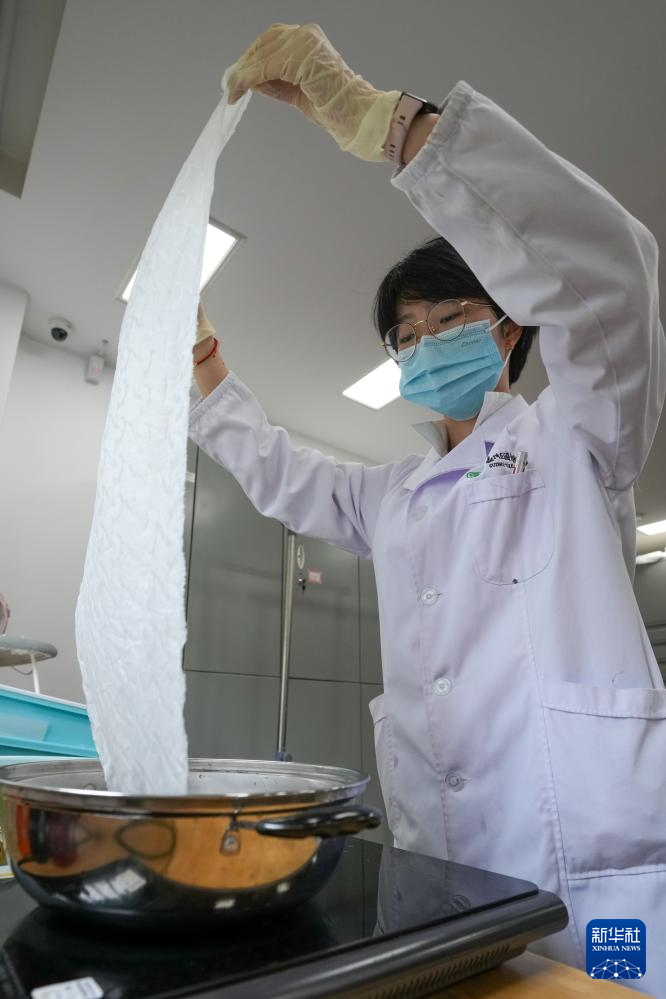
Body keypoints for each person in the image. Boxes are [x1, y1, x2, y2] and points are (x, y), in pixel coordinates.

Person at [188, 23, 666, 987]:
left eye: (449, 318)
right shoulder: (392, 494)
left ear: (509, 325)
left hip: (584, 853)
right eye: (406, 334)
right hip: (444, 853)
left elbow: (612, 276)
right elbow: (279, 471)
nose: (424, 342)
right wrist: (202, 362)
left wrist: (394, 125)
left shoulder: (578, 435)